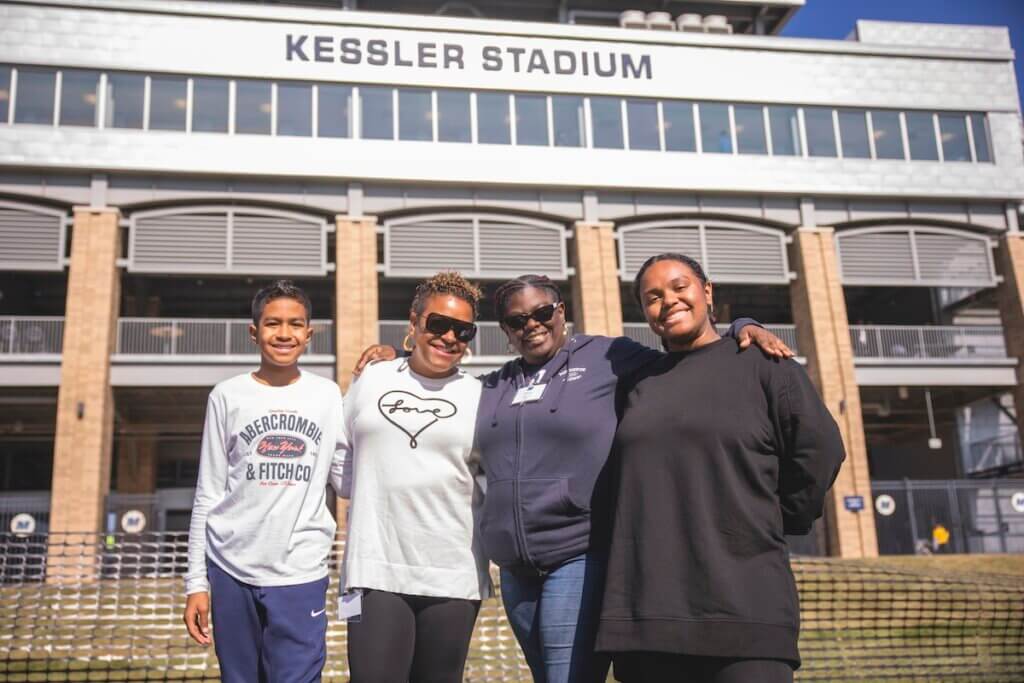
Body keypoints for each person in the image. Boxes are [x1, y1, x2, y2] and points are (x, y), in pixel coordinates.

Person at [355, 274, 792, 683]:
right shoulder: (494, 386)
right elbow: (432, 385)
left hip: (576, 556)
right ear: (505, 330)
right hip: (516, 570)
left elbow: (683, 356)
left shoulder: (607, 357)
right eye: (517, 320)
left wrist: (740, 327)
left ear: (561, 311)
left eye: (542, 313)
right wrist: (397, 358)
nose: (532, 325)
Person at [596, 254, 846, 683]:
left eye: (679, 286)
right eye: (652, 297)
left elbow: (819, 449)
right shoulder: (637, 383)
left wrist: (778, 516)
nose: (668, 301)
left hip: (746, 612)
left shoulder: (764, 362)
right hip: (648, 619)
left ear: (707, 291)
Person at [183, 280, 348, 683]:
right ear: (254, 331)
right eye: (273, 323)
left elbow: (348, 480)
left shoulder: (327, 396)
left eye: (296, 324)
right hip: (230, 569)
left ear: (309, 333)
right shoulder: (227, 395)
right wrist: (195, 582)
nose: (285, 333)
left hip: (300, 572)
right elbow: (208, 493)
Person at [339, 271, 492, 683]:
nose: (449, 337)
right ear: (414, 322)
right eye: (438, 324)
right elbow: (340, 453)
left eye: (462, 330)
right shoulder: (373, 378)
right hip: (375, 567)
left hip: (452, 571)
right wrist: (375, 490)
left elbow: (492, 478)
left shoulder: (482, 395)